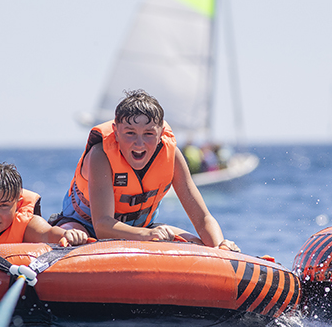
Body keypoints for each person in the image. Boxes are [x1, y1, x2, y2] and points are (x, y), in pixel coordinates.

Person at [50, 89, 239, 251]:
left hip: (143, 228)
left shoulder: (171, 155)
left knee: (198, 245)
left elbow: (203, 218)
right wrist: (147, 235)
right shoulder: (100, 155)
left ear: (160, 134)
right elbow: (101, 226)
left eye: (149, 134)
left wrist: (219, 248)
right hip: (83, 226)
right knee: (73, 238)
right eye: (130, 133)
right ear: (116, 132)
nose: (139, 143)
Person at [0, 162, 88, 248]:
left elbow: (48, 234)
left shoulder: (28, 224)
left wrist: (68, 234)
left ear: (17, 205)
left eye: (4, 206)